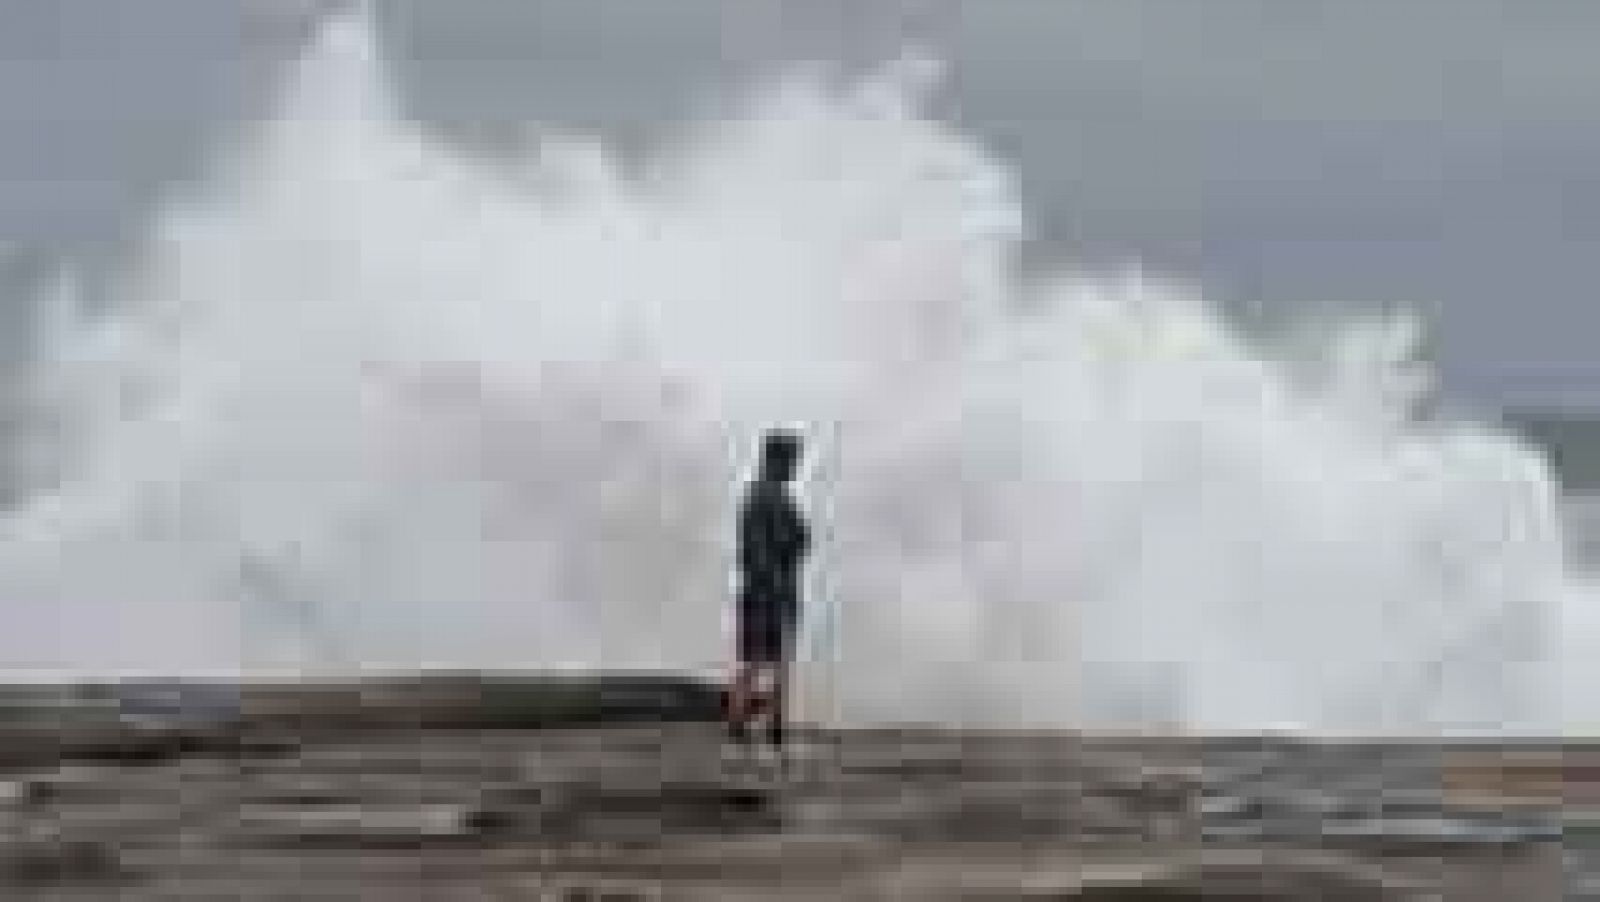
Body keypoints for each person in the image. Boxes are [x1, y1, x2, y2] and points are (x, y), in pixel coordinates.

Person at [726, 429, 811, 748]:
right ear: (781, 460)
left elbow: (750, 548)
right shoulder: (779, 499)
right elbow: (801, 541)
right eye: (793, 460)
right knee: (777, 660)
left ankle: (740, 723)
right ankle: (775, 726)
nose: (795, 468)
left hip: (755, 588)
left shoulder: (753, 496)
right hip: (776, 589)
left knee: (752, 658)